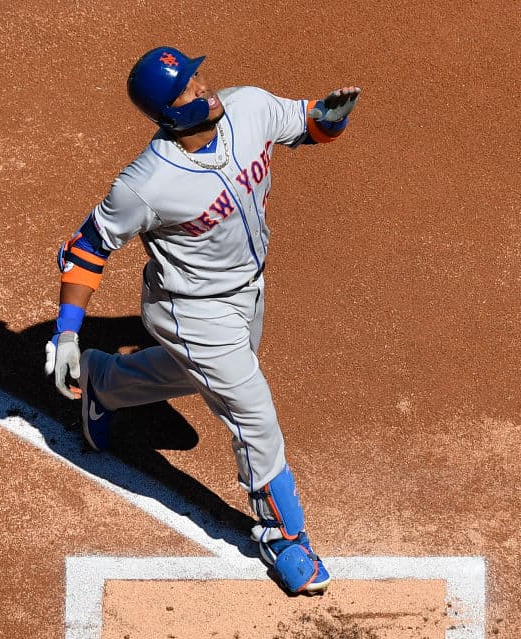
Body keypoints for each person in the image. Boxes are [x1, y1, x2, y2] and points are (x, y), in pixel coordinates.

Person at [44, 46, 360, 594]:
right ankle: (283, 538)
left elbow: (307, 125)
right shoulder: (146, 184)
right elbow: (87, 248)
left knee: (201, 375)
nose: (204, 87)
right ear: (167, 112)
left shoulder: (248, 107)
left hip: (247, 289)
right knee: (252, 411)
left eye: (198, 76)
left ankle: (104, 382)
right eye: (188, 88)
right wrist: (67, 331)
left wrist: (330, 117)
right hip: (190, 310)